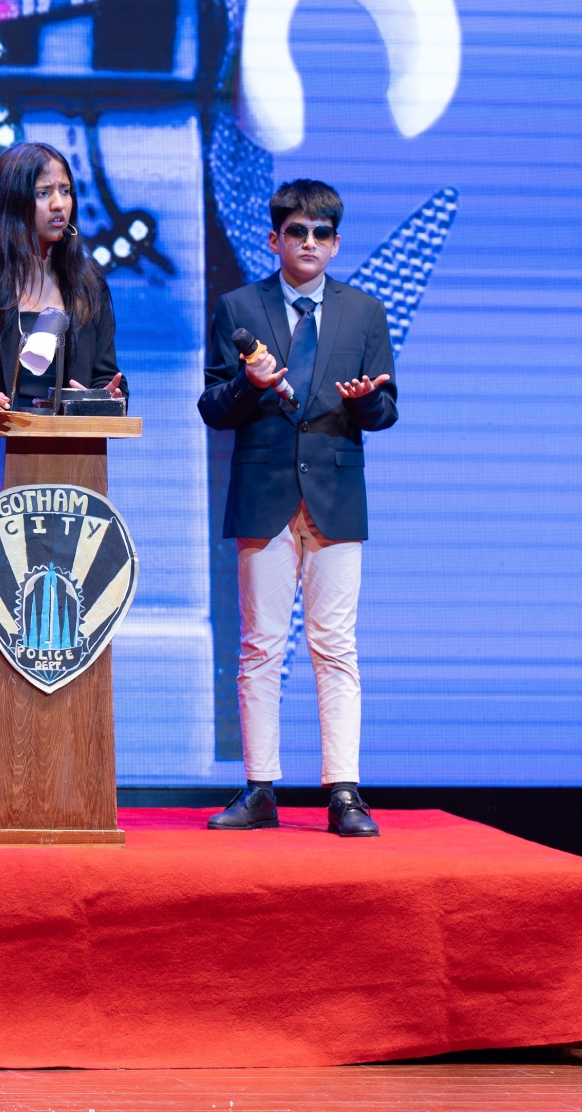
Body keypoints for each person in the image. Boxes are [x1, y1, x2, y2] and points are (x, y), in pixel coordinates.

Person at [0, 142, 126, 824]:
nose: (60, 204)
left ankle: (62, 790)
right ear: (14, 200)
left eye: (65, 190)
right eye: (45, 192)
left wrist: (104, 396)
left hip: (69, 484)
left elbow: (107, 378)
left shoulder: (87, 281)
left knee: (67, 629)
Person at [198, 180, 397, 836]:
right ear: (274, 238)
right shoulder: (238, 307)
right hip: (264, 495)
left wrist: (366, 401)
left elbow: (386, 410)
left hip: (335, 498)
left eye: (321, 234)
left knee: (334, 646)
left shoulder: (364, 312)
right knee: (260, 645)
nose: (309, 243)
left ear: (336, 244)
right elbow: (212, 406)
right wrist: (247, 385)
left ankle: (344, 792)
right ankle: (259, 789)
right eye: (297, 232)